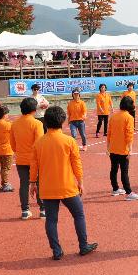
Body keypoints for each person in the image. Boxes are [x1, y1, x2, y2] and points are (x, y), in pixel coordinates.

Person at [29, 106, 98, 260]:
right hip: (68, 187)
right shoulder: (69, 141)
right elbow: (76, 164)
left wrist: (32, 183)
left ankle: (57, 250)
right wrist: (80, 181)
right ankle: (83, 245)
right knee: (79, 215)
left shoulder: (39, 143)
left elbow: (33, 166)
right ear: (63, 121)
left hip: (47, 188)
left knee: (51, 220)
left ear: (45, 122)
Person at [11, 97, 46, 220]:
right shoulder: (37, 123)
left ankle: (25, 210)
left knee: (24, 184)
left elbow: (12, 144)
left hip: (21, 159)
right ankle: (42, 209)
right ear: (34, 109)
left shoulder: (14, 124)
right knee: (39, 183)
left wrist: (20, 151)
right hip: (35, 159)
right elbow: (39, 144)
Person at [107, 96, 138, 200]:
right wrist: (130, 148)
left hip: (113, 148)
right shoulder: (129, 117)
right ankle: (129, 192)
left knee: (114, 169)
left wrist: (108, 147)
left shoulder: (113, 116)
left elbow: (109, 133)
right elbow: (129, 134)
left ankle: (115, 188)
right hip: (123, 149)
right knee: (124, 171)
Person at [0, 106, 14, 193]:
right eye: (7, 114)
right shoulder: (7, 124)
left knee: (3, 167)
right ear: (4, 115)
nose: (8, 116)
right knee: (6, 168)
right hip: (6, 150)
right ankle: (5, 184)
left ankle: (3, 183)